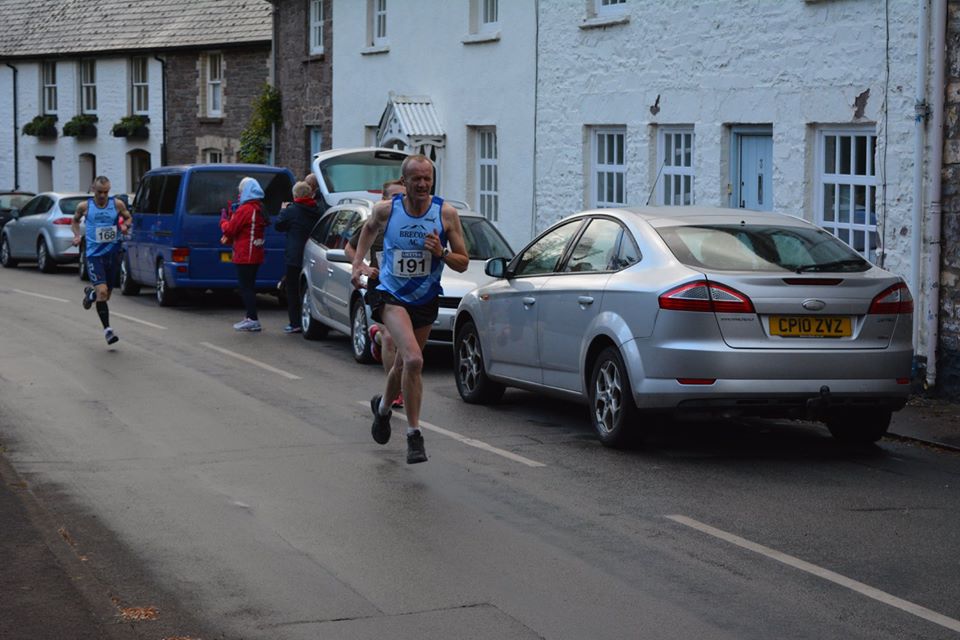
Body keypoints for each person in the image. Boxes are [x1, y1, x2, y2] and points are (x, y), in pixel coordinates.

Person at [351, 155, 469, 464]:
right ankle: (414, 435)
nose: (422, 183)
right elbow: (367, 230)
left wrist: (441, 252)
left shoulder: (445, 213)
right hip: (390, 295)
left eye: (427, 178)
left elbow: (463, 261)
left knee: (403, 365)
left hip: (425, 298)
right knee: (415, 359)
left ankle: (383, 409)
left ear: (433, 180)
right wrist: (358, 264)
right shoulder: (387, 211)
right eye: (415, 178)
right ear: (404, 182)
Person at [345, 179, 406, 408]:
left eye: (402, 197)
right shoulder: (375, 222)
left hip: (406, 288)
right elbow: (349, 248)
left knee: (402, 342)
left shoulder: (411, 223)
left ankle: (375, 336)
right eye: (393, 197)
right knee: (391, 338)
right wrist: (362, 266)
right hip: (380, 285)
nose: (397, 202)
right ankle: (395, 392)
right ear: (384, 199)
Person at [72, 176, 132, 345]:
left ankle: (91, 294)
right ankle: (108, 330)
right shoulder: (85, 206)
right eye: (99, 192)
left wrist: (125, 225)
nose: (103, 196)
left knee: (106, 295)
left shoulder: (117, 204)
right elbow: (74, 221)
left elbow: (128, 217)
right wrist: (77, 235)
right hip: (94, 256)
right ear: (93, 189)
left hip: (113, 254)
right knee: (103, 292)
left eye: (106, 192)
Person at [221, 177, 267, 332]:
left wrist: (223, 221)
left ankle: (252, 319)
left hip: (245, 253)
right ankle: (250, 317)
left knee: (245, 287)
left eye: (241, 191)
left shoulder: (246, 209)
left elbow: (230, 229)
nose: (239, 195)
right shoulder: (259, 207)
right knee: (249, 286)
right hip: (256, 251)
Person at [274, 181, 321, 333]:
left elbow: (279, 225)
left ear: (295, 195)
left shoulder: (291, 210)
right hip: (315, 254)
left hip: (296, 255)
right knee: (311, 288)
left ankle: (295, 322)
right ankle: (312, 320)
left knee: (293, 290)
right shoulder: (318, 209)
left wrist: (283, 210)